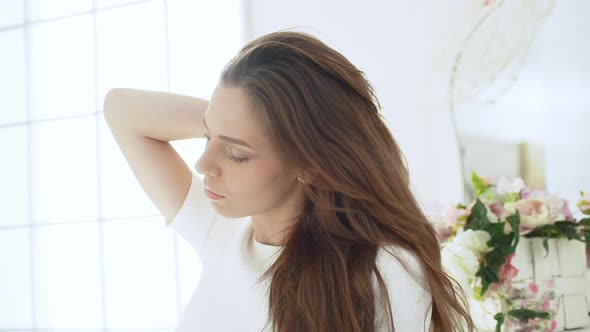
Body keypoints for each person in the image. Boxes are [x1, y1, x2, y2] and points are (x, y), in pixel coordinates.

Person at [103, 30, 474, 332]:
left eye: (237, 154)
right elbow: (121, 109)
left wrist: (270, 125)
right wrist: (234, 122)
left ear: (310, 163)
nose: (204, 164)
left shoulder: (385, 270)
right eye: (207, 136)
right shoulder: (224, 231)